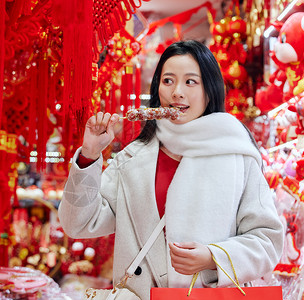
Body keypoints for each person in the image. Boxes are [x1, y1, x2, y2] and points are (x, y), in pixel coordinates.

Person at [58, 40, 284, 300]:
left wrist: (213, 257)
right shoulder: (132, 159)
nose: (177, 92)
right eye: (168, 81)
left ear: (209, 91)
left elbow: (268, 240)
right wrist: (89, 155)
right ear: (157, 90)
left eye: (190, 82)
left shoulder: (236, 155)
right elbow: (79, 224)